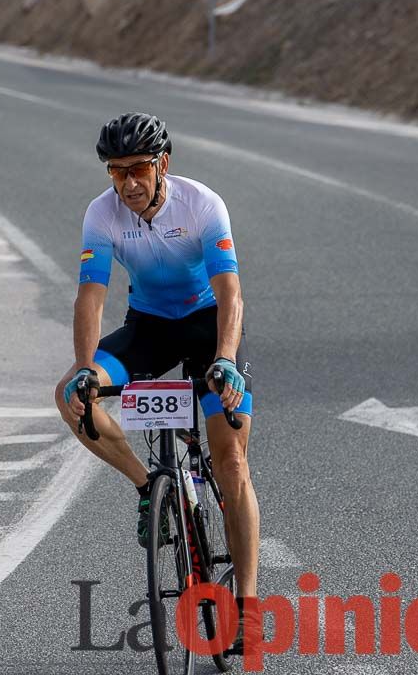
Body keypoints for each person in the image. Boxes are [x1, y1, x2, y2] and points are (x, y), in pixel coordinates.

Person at [54, 112, 259, 650]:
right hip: (148, 329)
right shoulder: (101, 216)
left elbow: (231, 294)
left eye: (138, 168)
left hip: (207, 328)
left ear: (162, 164)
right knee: (71, 398)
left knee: (232, 462)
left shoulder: (202, 205)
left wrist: (227, 360)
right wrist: (84, 371)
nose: (128, 183)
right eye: (116, 172)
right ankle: (150, 487)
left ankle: (248, 606)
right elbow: (90, 296)